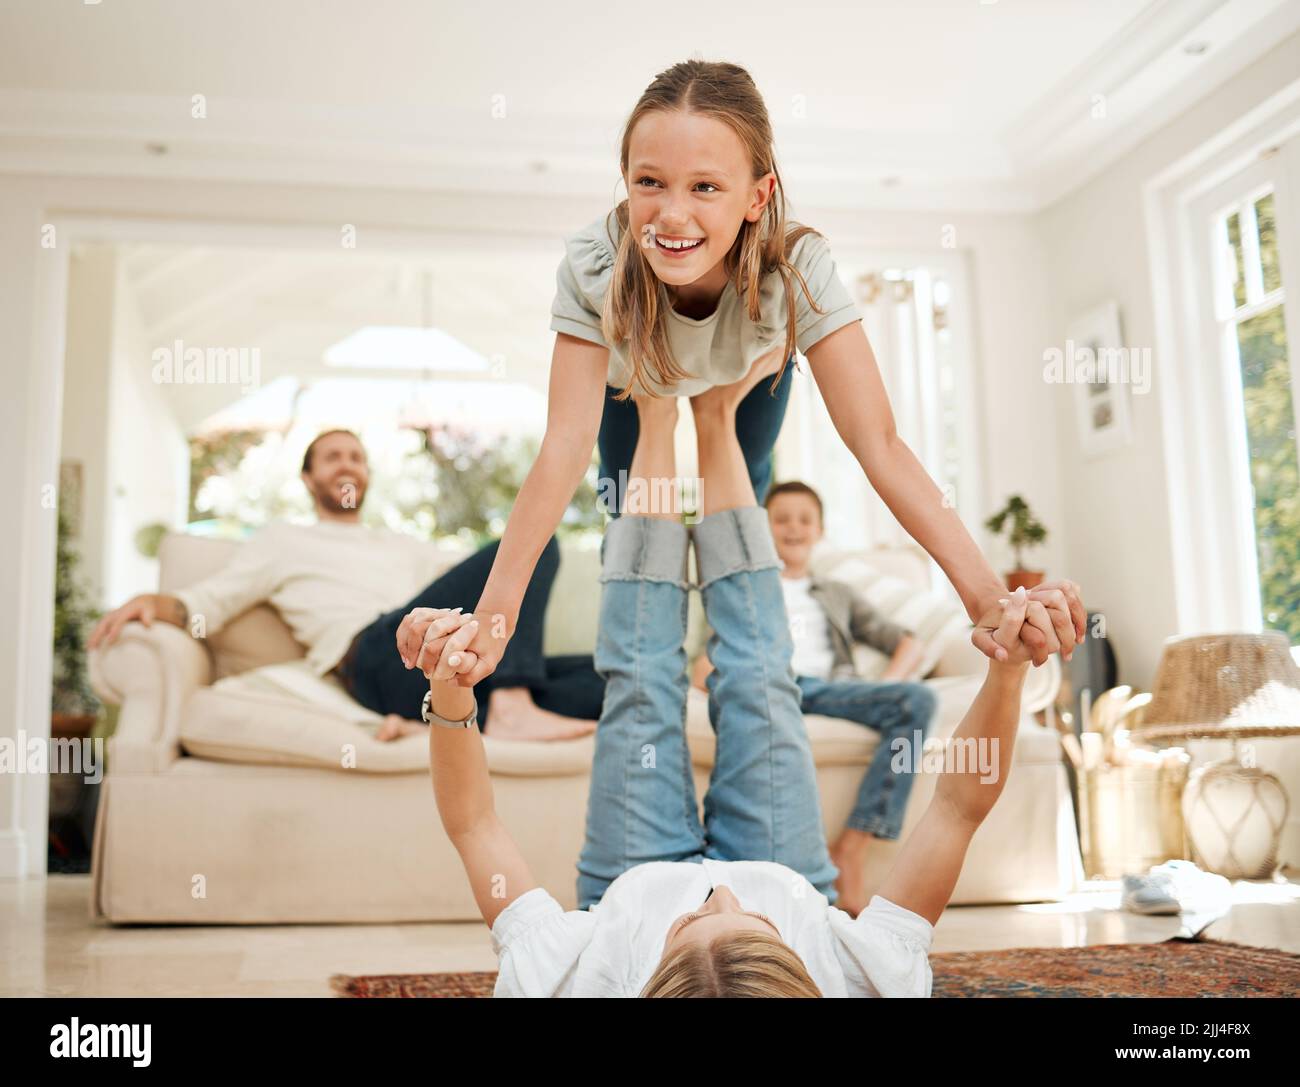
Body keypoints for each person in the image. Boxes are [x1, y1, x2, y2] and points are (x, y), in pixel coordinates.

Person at [438, 58, 1085, 698]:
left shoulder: (796, 268)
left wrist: (985, 595)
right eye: (649, 182)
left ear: (758, 195)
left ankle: (738, 672)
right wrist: (496, 615)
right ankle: (653, 671)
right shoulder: (595, 264)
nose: (671, 213)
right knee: (633, 521)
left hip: (750, 369)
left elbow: (876, 440)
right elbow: (563, 445)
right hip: (632, 374)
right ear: (626, 181)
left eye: (705, 187)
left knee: (743, 509)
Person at [399, 391, 1041, 997]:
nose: (721, 894)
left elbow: (473, 825)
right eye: (758, 925)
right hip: (788, 870)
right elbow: (957, 811)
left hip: (628, 879)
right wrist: (1009, 672)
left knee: (641, 686)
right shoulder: (870, 981)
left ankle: (655, 407)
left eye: (689, 925)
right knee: (764, 681)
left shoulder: (564, 979)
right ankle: (716, 412)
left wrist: (450, 690)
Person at [87, 428, 600, 742]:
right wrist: (156, 601)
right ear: (308, 479)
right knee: (537, 542)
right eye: (332, 457)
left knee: (610, 678)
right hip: (375, 660)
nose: (346, 465)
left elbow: (471, 587)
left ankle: (500, 707)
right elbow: (211, 603)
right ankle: (509, 708)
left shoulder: (400, 544)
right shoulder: (282, 540)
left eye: (355, 457)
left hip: (437, 659)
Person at [690, 478, 939, 915]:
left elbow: (909, 642)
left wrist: (879, 685)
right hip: (767, 684)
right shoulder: (741, 589)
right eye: (781, 519)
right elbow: (702, 667)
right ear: (762, 529)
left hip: (828, 689)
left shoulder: (835, 592)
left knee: (917, 701)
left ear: (820, 530)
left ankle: (851, 848)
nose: (793, 528)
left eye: (805, 520)